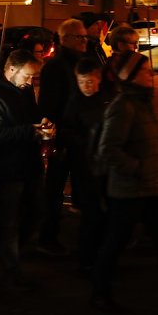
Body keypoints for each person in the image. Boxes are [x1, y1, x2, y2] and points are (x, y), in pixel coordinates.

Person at [90, 51, 158, 314]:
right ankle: (100, 293)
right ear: (131, 76)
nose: (152, 74)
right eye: (146, 71)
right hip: (129, 192)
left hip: (150, 188)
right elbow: (108, 149)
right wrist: (137, 169)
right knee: (115, 244)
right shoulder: (124, 106)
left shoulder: (143, 102)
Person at [0, 49, 45, 289]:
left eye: (34, 77)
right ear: (11, 69)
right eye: (28, 76)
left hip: (29, 164)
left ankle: (12, 257)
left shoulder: (23, 92)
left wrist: (42, 123)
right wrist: (31, 131)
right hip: (7, 169)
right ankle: (10, 268)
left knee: (34, 211)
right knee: (9, 220)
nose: (30, 82)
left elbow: (32, 116)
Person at [36, 18, 89, 256]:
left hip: (77, 135)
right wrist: (57, 135)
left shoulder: (80, 63)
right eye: (80, 37)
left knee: (79, 188)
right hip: (66, 137)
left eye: (85, 36)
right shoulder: (57, 67)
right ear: (65, 38)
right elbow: (50, 105)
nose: (84, 41)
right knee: (55, 189)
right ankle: (48, 236)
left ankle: (77, 238)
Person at [61, 56, 112, 275]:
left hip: (105, 167)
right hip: (85, 167)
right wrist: (85, 142)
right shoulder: (75, 102)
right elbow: (67, 131)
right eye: (82, 82)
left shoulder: (108, 100)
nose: (86, 87)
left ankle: (101, 253)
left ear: (99, 79)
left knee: (106, 213)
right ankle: (87, 258)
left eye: (90, 82)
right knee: (91, 214)